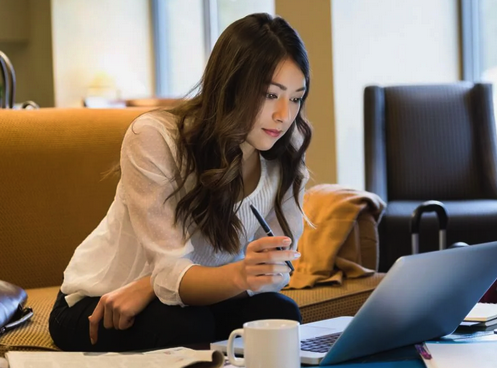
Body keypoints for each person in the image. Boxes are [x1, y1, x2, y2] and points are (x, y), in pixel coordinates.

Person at [49, 13, 312, 352]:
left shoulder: (284, 153)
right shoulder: (156, 139)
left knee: (279, 313)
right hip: (100, 300)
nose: (284, 115)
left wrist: (152, 285)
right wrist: (237, 274)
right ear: (231, 86)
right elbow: (172, 272)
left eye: (295, 97)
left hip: (189, 297)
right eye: (270, 95)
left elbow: (278, 271)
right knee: (186, 324)